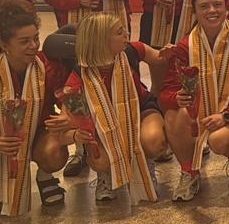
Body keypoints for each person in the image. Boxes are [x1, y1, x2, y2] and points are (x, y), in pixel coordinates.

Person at [0, 0, 68, 215]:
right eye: (24, 41)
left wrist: (66, 115)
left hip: (38, 131)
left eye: (36, 38)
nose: (34, 46)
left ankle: (45, 176)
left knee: (54, 151)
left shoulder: (49, 67)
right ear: (4, 45)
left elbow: (71, 102)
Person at [159, 0, 229, 201]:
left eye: (217, 5)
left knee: (218, 141)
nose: (212, 11)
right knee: (173, 115)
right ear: (194, 11)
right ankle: (189, 171)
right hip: (202, 111)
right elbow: (166, 91)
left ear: (227, 9)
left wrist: (226, 115)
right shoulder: (186, 45)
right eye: (204, 6)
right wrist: (175, 97)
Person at [64, 12, 168, 204]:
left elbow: (161, 59)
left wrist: (158, 90)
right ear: (101, 40)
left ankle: (146, 164)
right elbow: (67, 114)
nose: (126, 34)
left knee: (153, 141)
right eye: (119, 32)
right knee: (99, 158)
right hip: (102, 123)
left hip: (140, 110)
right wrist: (74, 133)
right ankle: (105, 173)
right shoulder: (80, 72)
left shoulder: (131, 51)